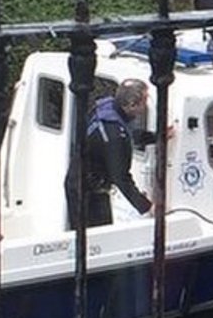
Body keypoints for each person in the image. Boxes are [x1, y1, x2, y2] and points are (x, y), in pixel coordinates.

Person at [65, 80, 154, 228]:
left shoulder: (110, 109)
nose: (145, 107)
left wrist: (158, 136)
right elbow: (120, 177)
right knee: (96, 236)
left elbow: (129, 136)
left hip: (90, 182)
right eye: (144, 102)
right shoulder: (112, 133)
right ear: (132, 105)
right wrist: (147, 207)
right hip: (86, 190)